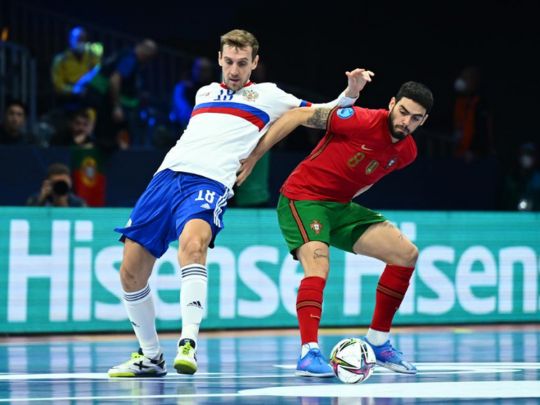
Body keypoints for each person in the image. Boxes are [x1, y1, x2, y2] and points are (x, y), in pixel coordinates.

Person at [106, 28, 366, 378]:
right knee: (130, 271)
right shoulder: (204, 93)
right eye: (228, 61)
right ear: (219, 59)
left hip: (209, 182)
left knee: (193, 245)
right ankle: (151, 356)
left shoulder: (269, 95)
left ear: (254, 63)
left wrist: (351, 92)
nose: (233, 70)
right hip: (164, 178)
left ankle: (188, 343)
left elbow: (323, 114)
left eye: (242, 63)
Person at [237, 78, 434, 377]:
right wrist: (253, 158)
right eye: (403, 112)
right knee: (318, 266)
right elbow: (297, 115)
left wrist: (346, 202)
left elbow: (368, 177)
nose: (406, 122)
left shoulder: (407, 153)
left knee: (406, 254)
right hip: (303, 197)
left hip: (340, 206)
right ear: (392, 104)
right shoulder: (362, 120)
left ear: (424, 121)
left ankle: (378, 342)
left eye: (415, 118)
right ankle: (308, 353)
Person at [83, 39, 158, 151]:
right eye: (149, 56)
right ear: (145, 52)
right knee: (105, 140)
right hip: (101, 101)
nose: (148, 60)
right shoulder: (130, 59)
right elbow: (114, 80)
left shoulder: (125, 53)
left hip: (99, 99)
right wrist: (117, 107)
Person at [51, 26, 103, 110]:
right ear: (71, 40)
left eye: (83, 39)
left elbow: (98, 70)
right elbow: (58, 86)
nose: (81, 42)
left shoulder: (91, 55)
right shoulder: (61, 60)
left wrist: (88, 79)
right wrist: (75, 90)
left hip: (89, 94)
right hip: (69, 98)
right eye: (78, 39)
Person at [452, 65, 494, 161]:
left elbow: (483, 130)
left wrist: (475, 150)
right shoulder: (459, 102)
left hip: (476, 157)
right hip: (459, 154)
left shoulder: (481, 103)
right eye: (462, 77)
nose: (462, 81)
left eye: (466, 78)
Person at [170, 56, 215, 130]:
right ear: (193, 69)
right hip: (185, 125)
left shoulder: (214, 89)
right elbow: (183, 111)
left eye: (205, 70)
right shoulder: (182, 87)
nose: (201, 73)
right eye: (199, 69)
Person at [499, 142, 540, 211]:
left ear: (535, 158)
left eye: (529, 154)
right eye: (523, 154)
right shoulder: (512, 178)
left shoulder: (538, 178)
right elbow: (506, 201)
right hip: (514, 215)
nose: (526, 157)